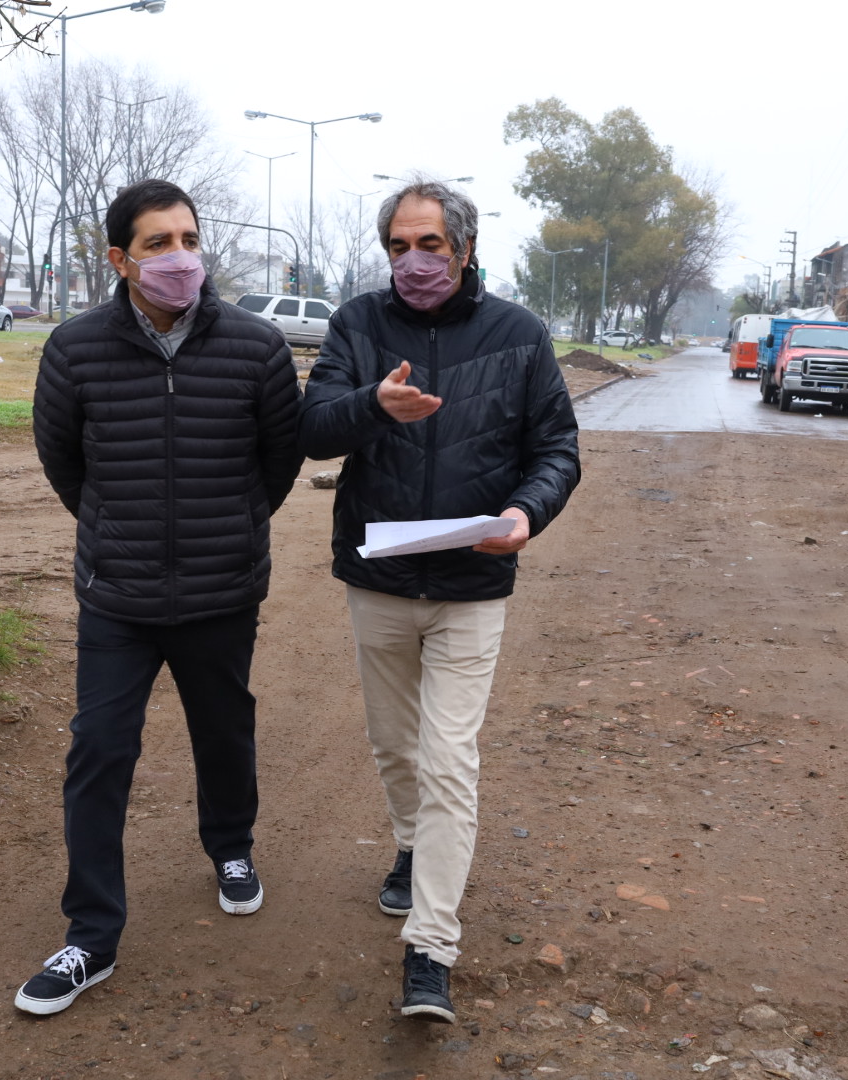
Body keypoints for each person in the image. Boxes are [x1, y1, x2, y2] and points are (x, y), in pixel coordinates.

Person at [298, 177, 580, 1024]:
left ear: (464, 247)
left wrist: (526, 514)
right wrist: (370, 407)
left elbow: (556, 448)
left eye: (429, 245)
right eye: (398, 247)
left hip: (472, 586)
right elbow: (312, 428)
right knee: (396, 746)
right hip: (380, 579)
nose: (413, 261)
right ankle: (413, 845)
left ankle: (431, 949)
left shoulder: (520, 335)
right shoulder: (357, 324)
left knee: (450, 760)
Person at [20, 178, 303, 1016]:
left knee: (224, 729)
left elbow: (278, 461)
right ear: (121, 259)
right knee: (99, 750)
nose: (180, 257)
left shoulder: (257, 347)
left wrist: (233, 526)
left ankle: (232, 848)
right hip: (119, 597)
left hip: (222, 588)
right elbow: (63, 460)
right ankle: (90, 937)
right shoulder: (75, 349)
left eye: (188, 238)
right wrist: (119, 533)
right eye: (157, 243)